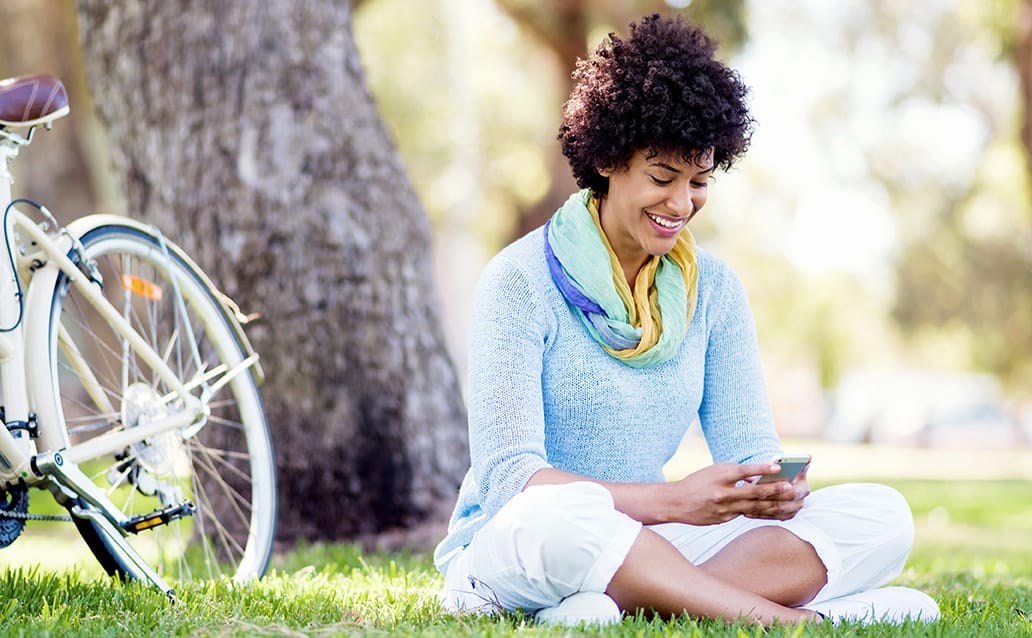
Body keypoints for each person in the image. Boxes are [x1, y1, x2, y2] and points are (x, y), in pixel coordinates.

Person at [433, 14, 939, 627]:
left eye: (700, 181)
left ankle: (620, 606)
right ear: (609, 159)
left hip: (651, 538)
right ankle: (783, 619)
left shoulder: (715, 290)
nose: (681, 204)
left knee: (882, 515)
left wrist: (770, 491)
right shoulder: (518, 281)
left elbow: (748, 446)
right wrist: (672, 501)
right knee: (561, 519)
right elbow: (513, 479)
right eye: (662, 177)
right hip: (522, 541)